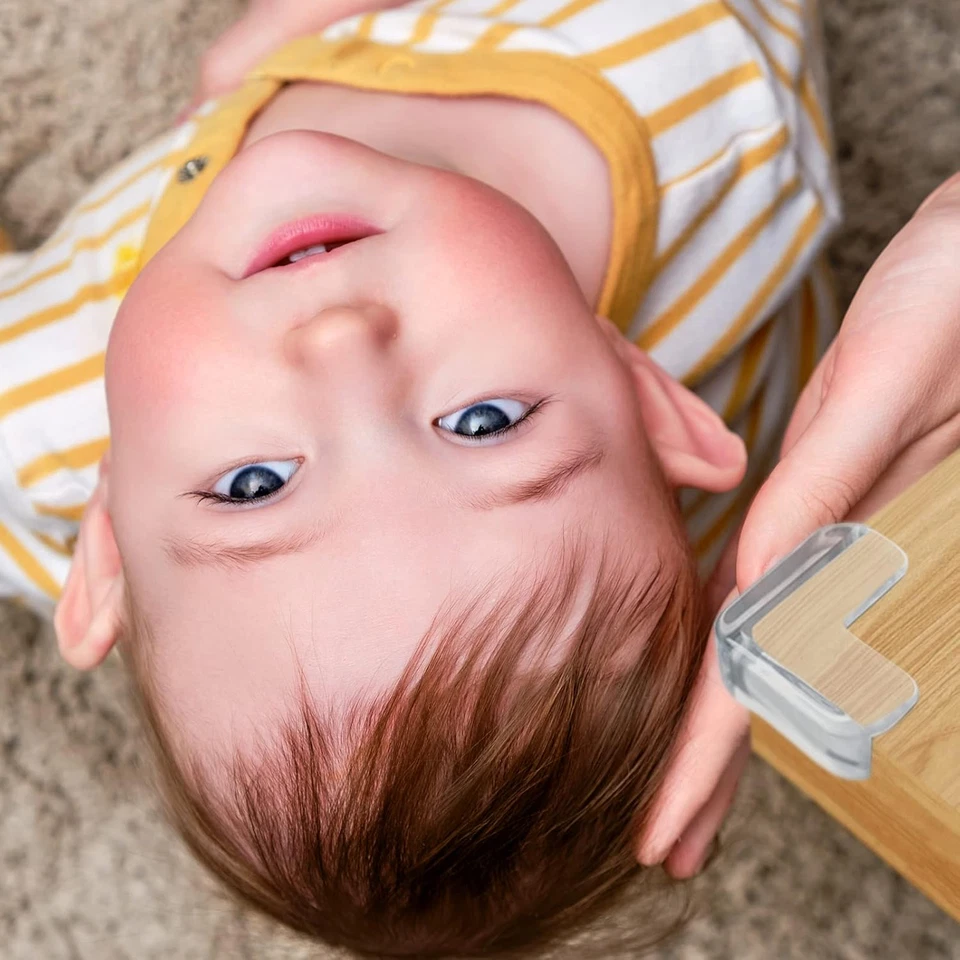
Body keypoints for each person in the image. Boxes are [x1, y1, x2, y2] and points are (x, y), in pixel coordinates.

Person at [0, 0, 848, 954]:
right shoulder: (713, 107)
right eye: (483, 423)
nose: (341, 341)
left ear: (100, 535)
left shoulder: (39, 409)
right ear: (647, 390)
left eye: (254, 486)